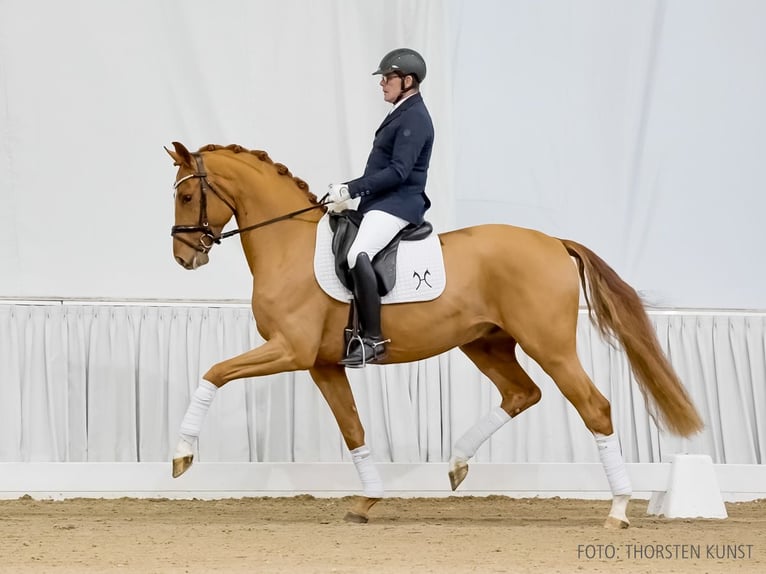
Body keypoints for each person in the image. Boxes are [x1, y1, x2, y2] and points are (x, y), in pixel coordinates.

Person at [327, 47, 435, 368]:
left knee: (357, 253)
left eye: (388, 77)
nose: (382, 83)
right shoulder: (401, 111)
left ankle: (373, 338)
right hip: (380, 202)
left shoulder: (415, 116)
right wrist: (350, 193)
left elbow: (399, 171)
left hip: (398, 205)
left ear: (407, 80)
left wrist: (351, 188)